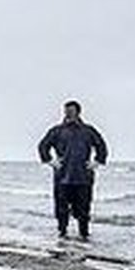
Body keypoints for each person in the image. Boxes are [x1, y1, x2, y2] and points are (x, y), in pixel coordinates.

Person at [37, 101, 108, 239]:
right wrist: (50, 161)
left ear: (78, 112)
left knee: (84, 209)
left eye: (71, 110)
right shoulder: (57, 130)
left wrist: (97, 162)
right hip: (62, 176)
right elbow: (43, 146)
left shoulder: (88, 130)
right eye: (66, 110)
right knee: (61, 208)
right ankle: (62, 234)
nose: (68, 113)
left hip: (83, 177)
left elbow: (102, 146)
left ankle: (84, 235)